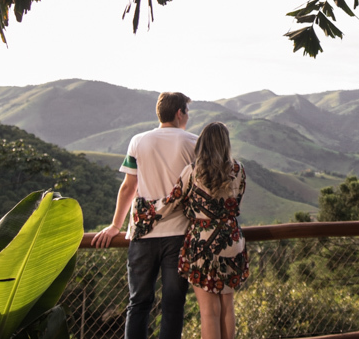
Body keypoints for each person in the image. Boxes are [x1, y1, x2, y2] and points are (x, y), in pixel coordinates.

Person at [92, 92, 197, 339]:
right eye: (187, 112)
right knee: (173, 303)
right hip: (180, 234)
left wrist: (115, 225)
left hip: (142, 233)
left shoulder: (138, 141)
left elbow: (129, 187)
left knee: (138, 302)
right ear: (180, 113)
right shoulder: (194, 141)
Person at [158, 121, 249, 339]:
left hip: (202, 243)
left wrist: (144, 212)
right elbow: (237, 201)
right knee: (227, 306)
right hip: (231, 241)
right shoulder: (238, 170)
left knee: (209, 311)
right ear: (226, 144)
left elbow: (172, 201)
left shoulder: (192, 172)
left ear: (202, 144)